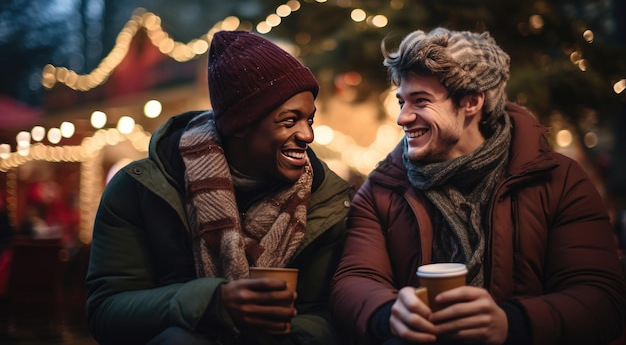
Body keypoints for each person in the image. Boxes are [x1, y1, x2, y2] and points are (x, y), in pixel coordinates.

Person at [331, 27, 626, 344]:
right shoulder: (384, 187)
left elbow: (602, 296)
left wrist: (512, 323)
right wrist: (388, 312)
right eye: (402, 101)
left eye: (420, 101)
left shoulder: (558, 180)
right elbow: (355, 279)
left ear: (471, 102)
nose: (402, 117)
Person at [86, 30, 354, 345]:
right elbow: (106, 312)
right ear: (240, 125)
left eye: (309, 119)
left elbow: (328, 314)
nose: (307, 135)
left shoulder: (326, 200)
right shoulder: (139, 190)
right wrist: (209, 304)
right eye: (289, 120)